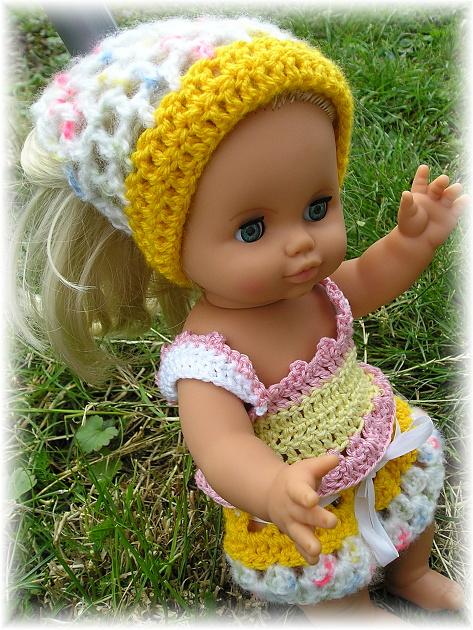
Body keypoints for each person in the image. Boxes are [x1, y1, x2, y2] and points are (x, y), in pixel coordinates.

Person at [14, 15, 466, 622]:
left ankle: (413, 574)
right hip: (301, 492)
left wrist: (412, 243)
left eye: (317, 207)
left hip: (376, 439)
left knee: (413, 511)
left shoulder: (316, 290)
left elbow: (365, 281)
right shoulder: (209, 354)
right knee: (333, 568)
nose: (300, 244)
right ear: (170, 247)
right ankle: (351, 612)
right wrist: (272, 488)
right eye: (252, 229)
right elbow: (221, 444)